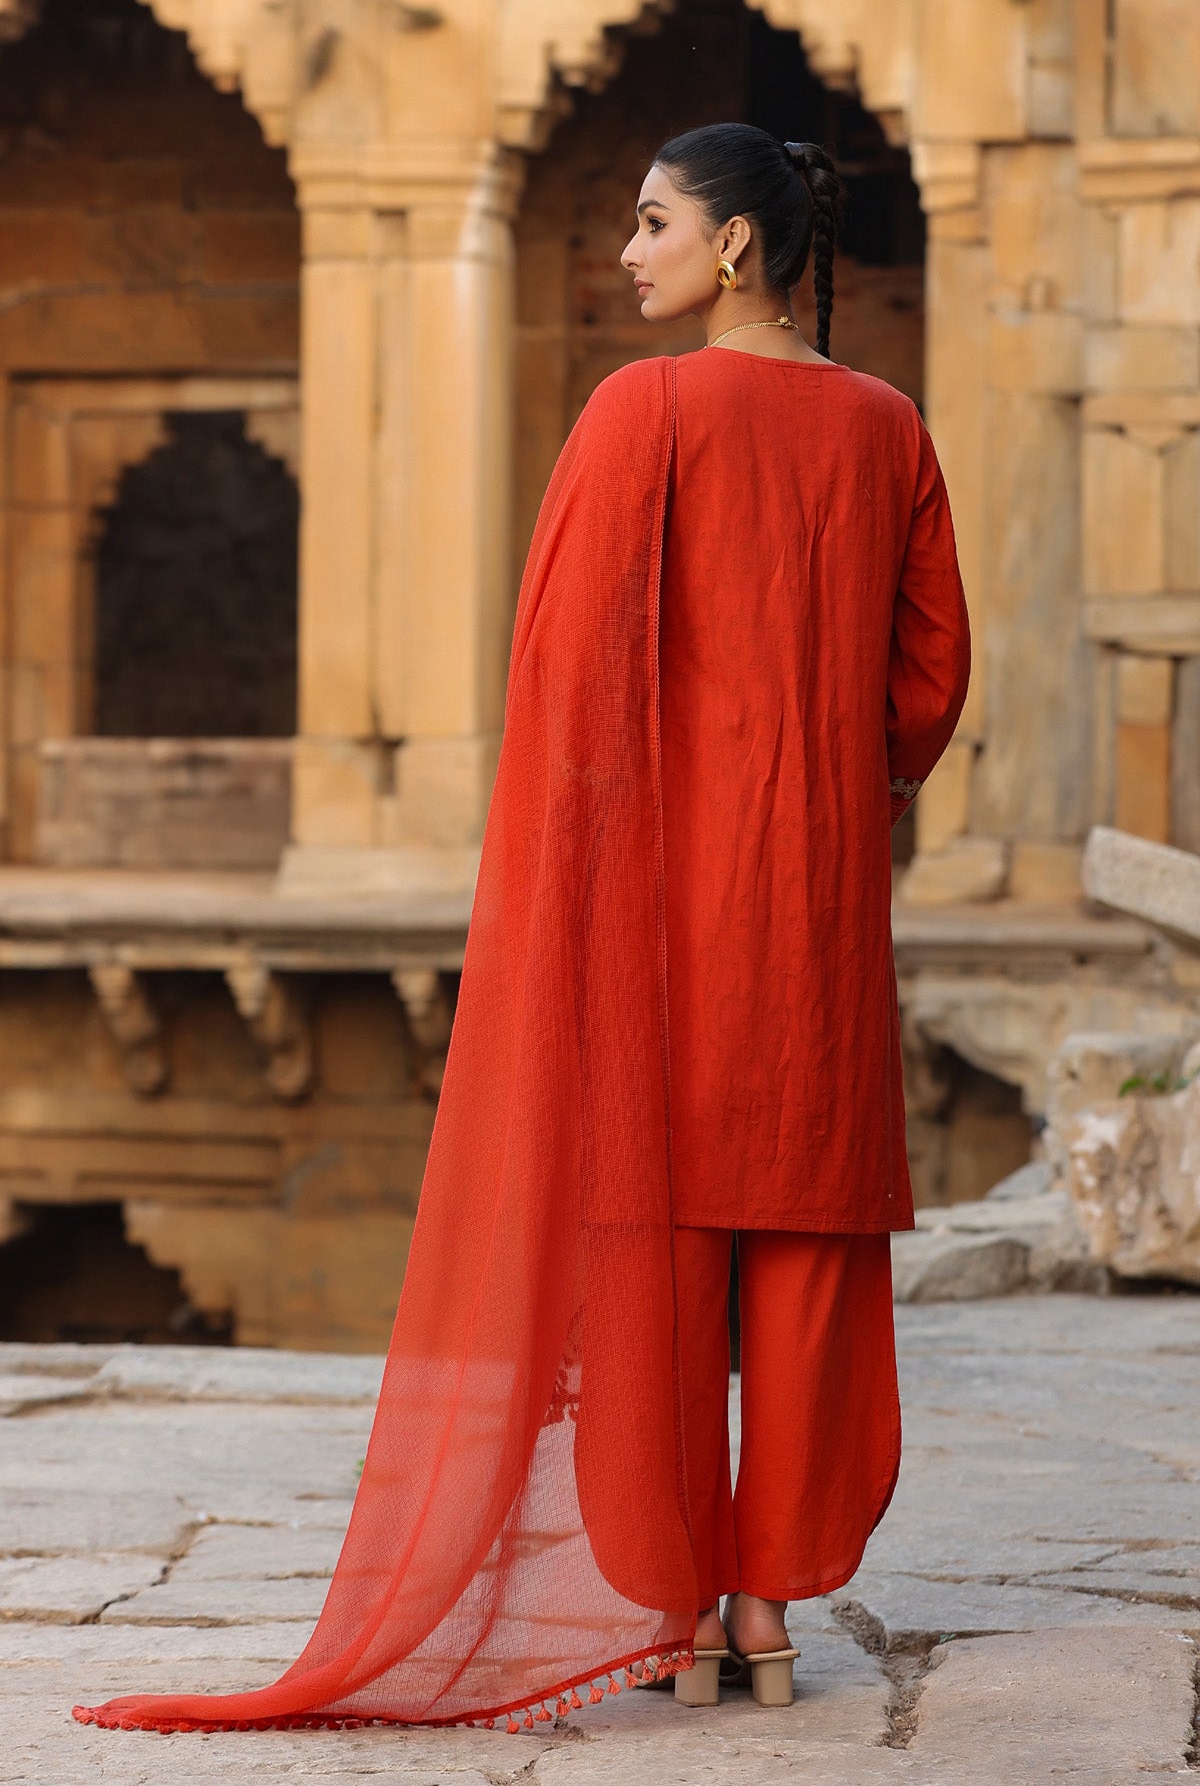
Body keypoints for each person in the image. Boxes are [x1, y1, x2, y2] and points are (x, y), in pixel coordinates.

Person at [73, 122, 969, 1737]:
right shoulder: (886, 429)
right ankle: (770, 1613)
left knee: (660, 1251)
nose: (626, 253)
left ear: (739, 247)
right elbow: (928, 686)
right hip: (816, 920)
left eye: (652, 223)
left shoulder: (644, 413)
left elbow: (565, 683)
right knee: (812, 1252)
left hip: (665, 921)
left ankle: (682, 1604)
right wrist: (832, 791)